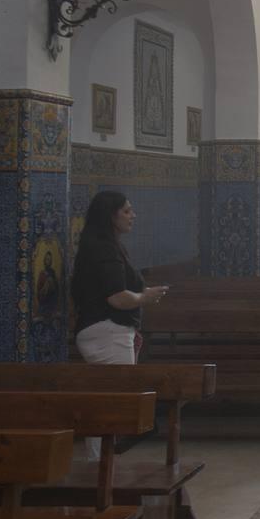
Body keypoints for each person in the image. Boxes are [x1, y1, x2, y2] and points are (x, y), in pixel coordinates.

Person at [71, 191, 167, 457]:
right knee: (112, 404)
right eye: (126, 210)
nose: (132, 215)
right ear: (110, 215)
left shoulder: (97, 244)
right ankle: (101, 469)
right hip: (107, 331)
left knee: (105, 400)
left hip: (102, 330)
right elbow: (117, 298)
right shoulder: (104, 248)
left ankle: (99, 464)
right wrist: (145, 297)